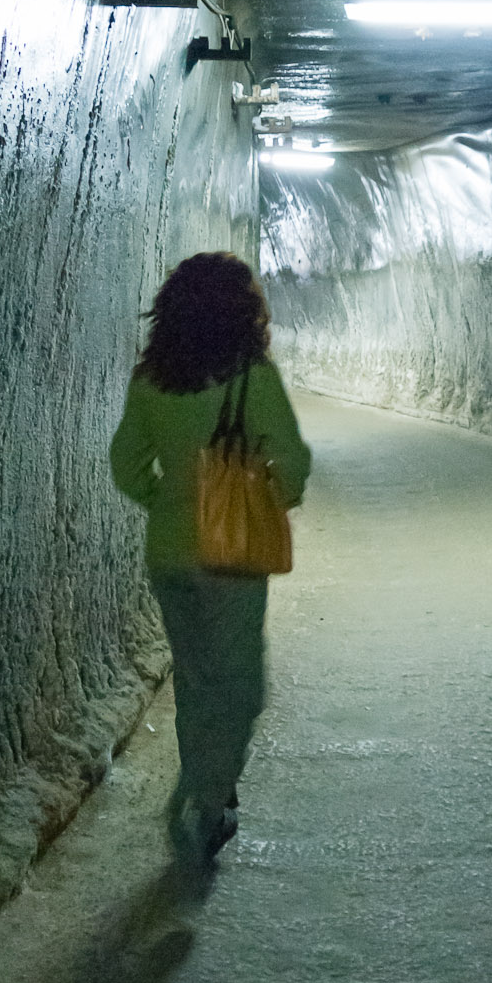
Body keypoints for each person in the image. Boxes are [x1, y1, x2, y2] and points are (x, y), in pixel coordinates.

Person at [109, 251, 311, 866]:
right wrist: (272, 498)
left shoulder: (152, 380)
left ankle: (202, 790)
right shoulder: (253, 378)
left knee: (196, 680)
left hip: (171, 554)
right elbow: (293, 461)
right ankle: (209, 796)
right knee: (240, 687)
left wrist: (167, 501)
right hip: (233, 556)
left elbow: (126, 464)